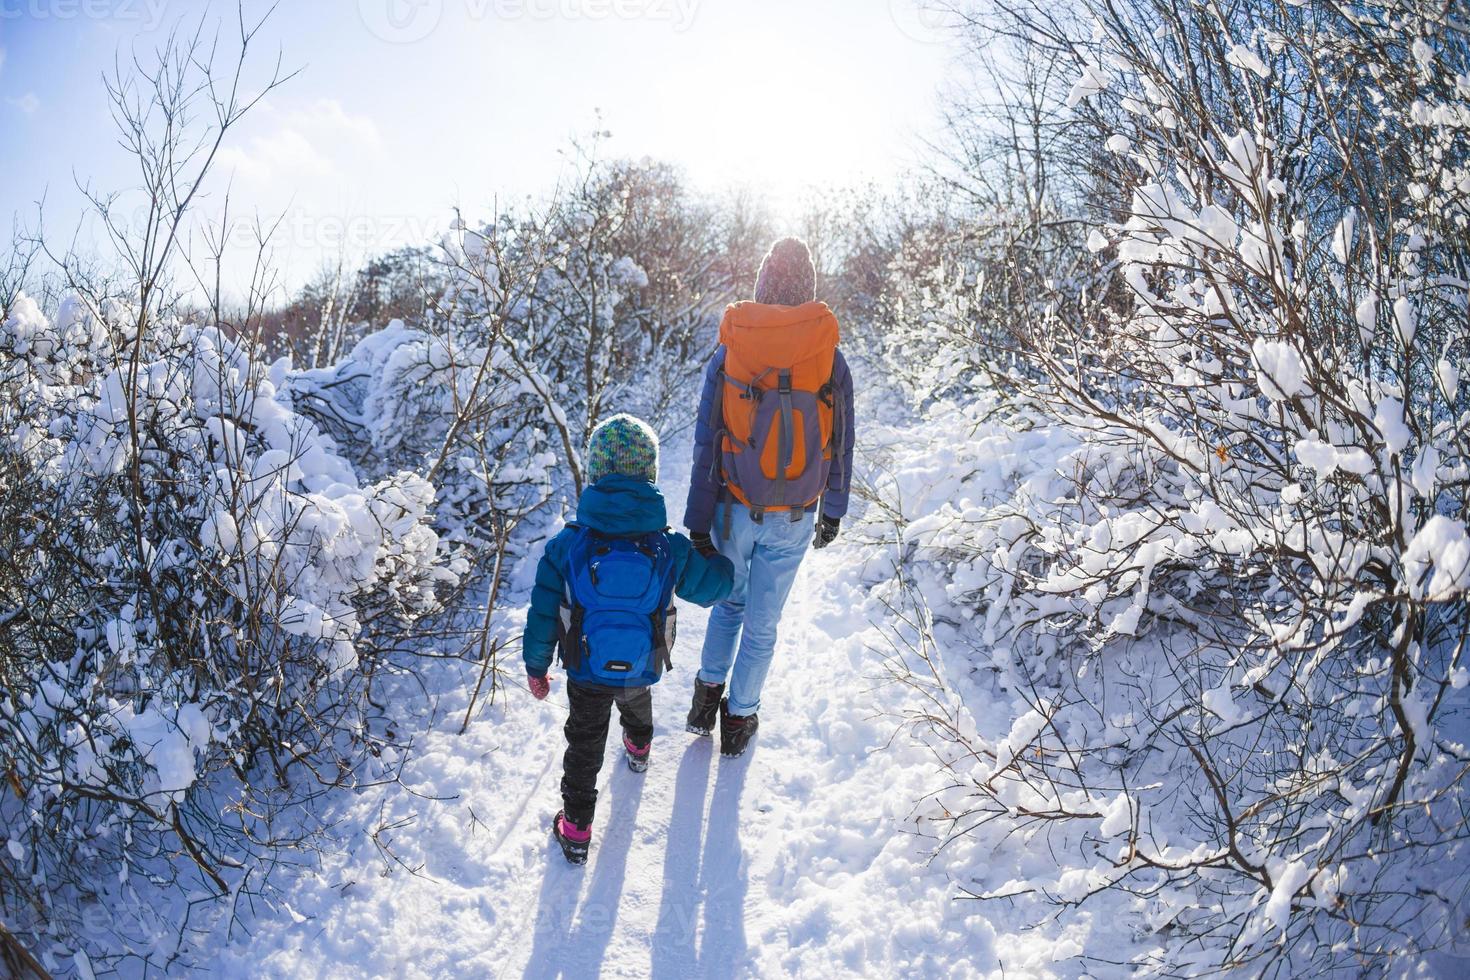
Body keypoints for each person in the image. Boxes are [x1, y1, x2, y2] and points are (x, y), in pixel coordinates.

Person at [523, 414, 734, 865]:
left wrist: (536, 667)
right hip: (643, 661)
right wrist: (716, 556)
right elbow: (714, 589)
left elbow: (543, 611)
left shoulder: (568, 543)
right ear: (650, 473)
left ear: (596, 472)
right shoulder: (668, 544)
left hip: (584, 667)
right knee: (636, 701)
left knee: (584, 742)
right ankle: (639, 748)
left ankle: (577, 829)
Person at [683, 238, 857, 758]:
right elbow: (842, 439)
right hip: (797, 512)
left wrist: (697, 520)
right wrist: (835, 510)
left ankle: (705, 699)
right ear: (808, 288)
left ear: (762, 284)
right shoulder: (830, 357)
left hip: (735, 506)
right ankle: (739, 720)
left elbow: (706, 438)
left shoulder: (731, 347)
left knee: (727, 604)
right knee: (763, 622)